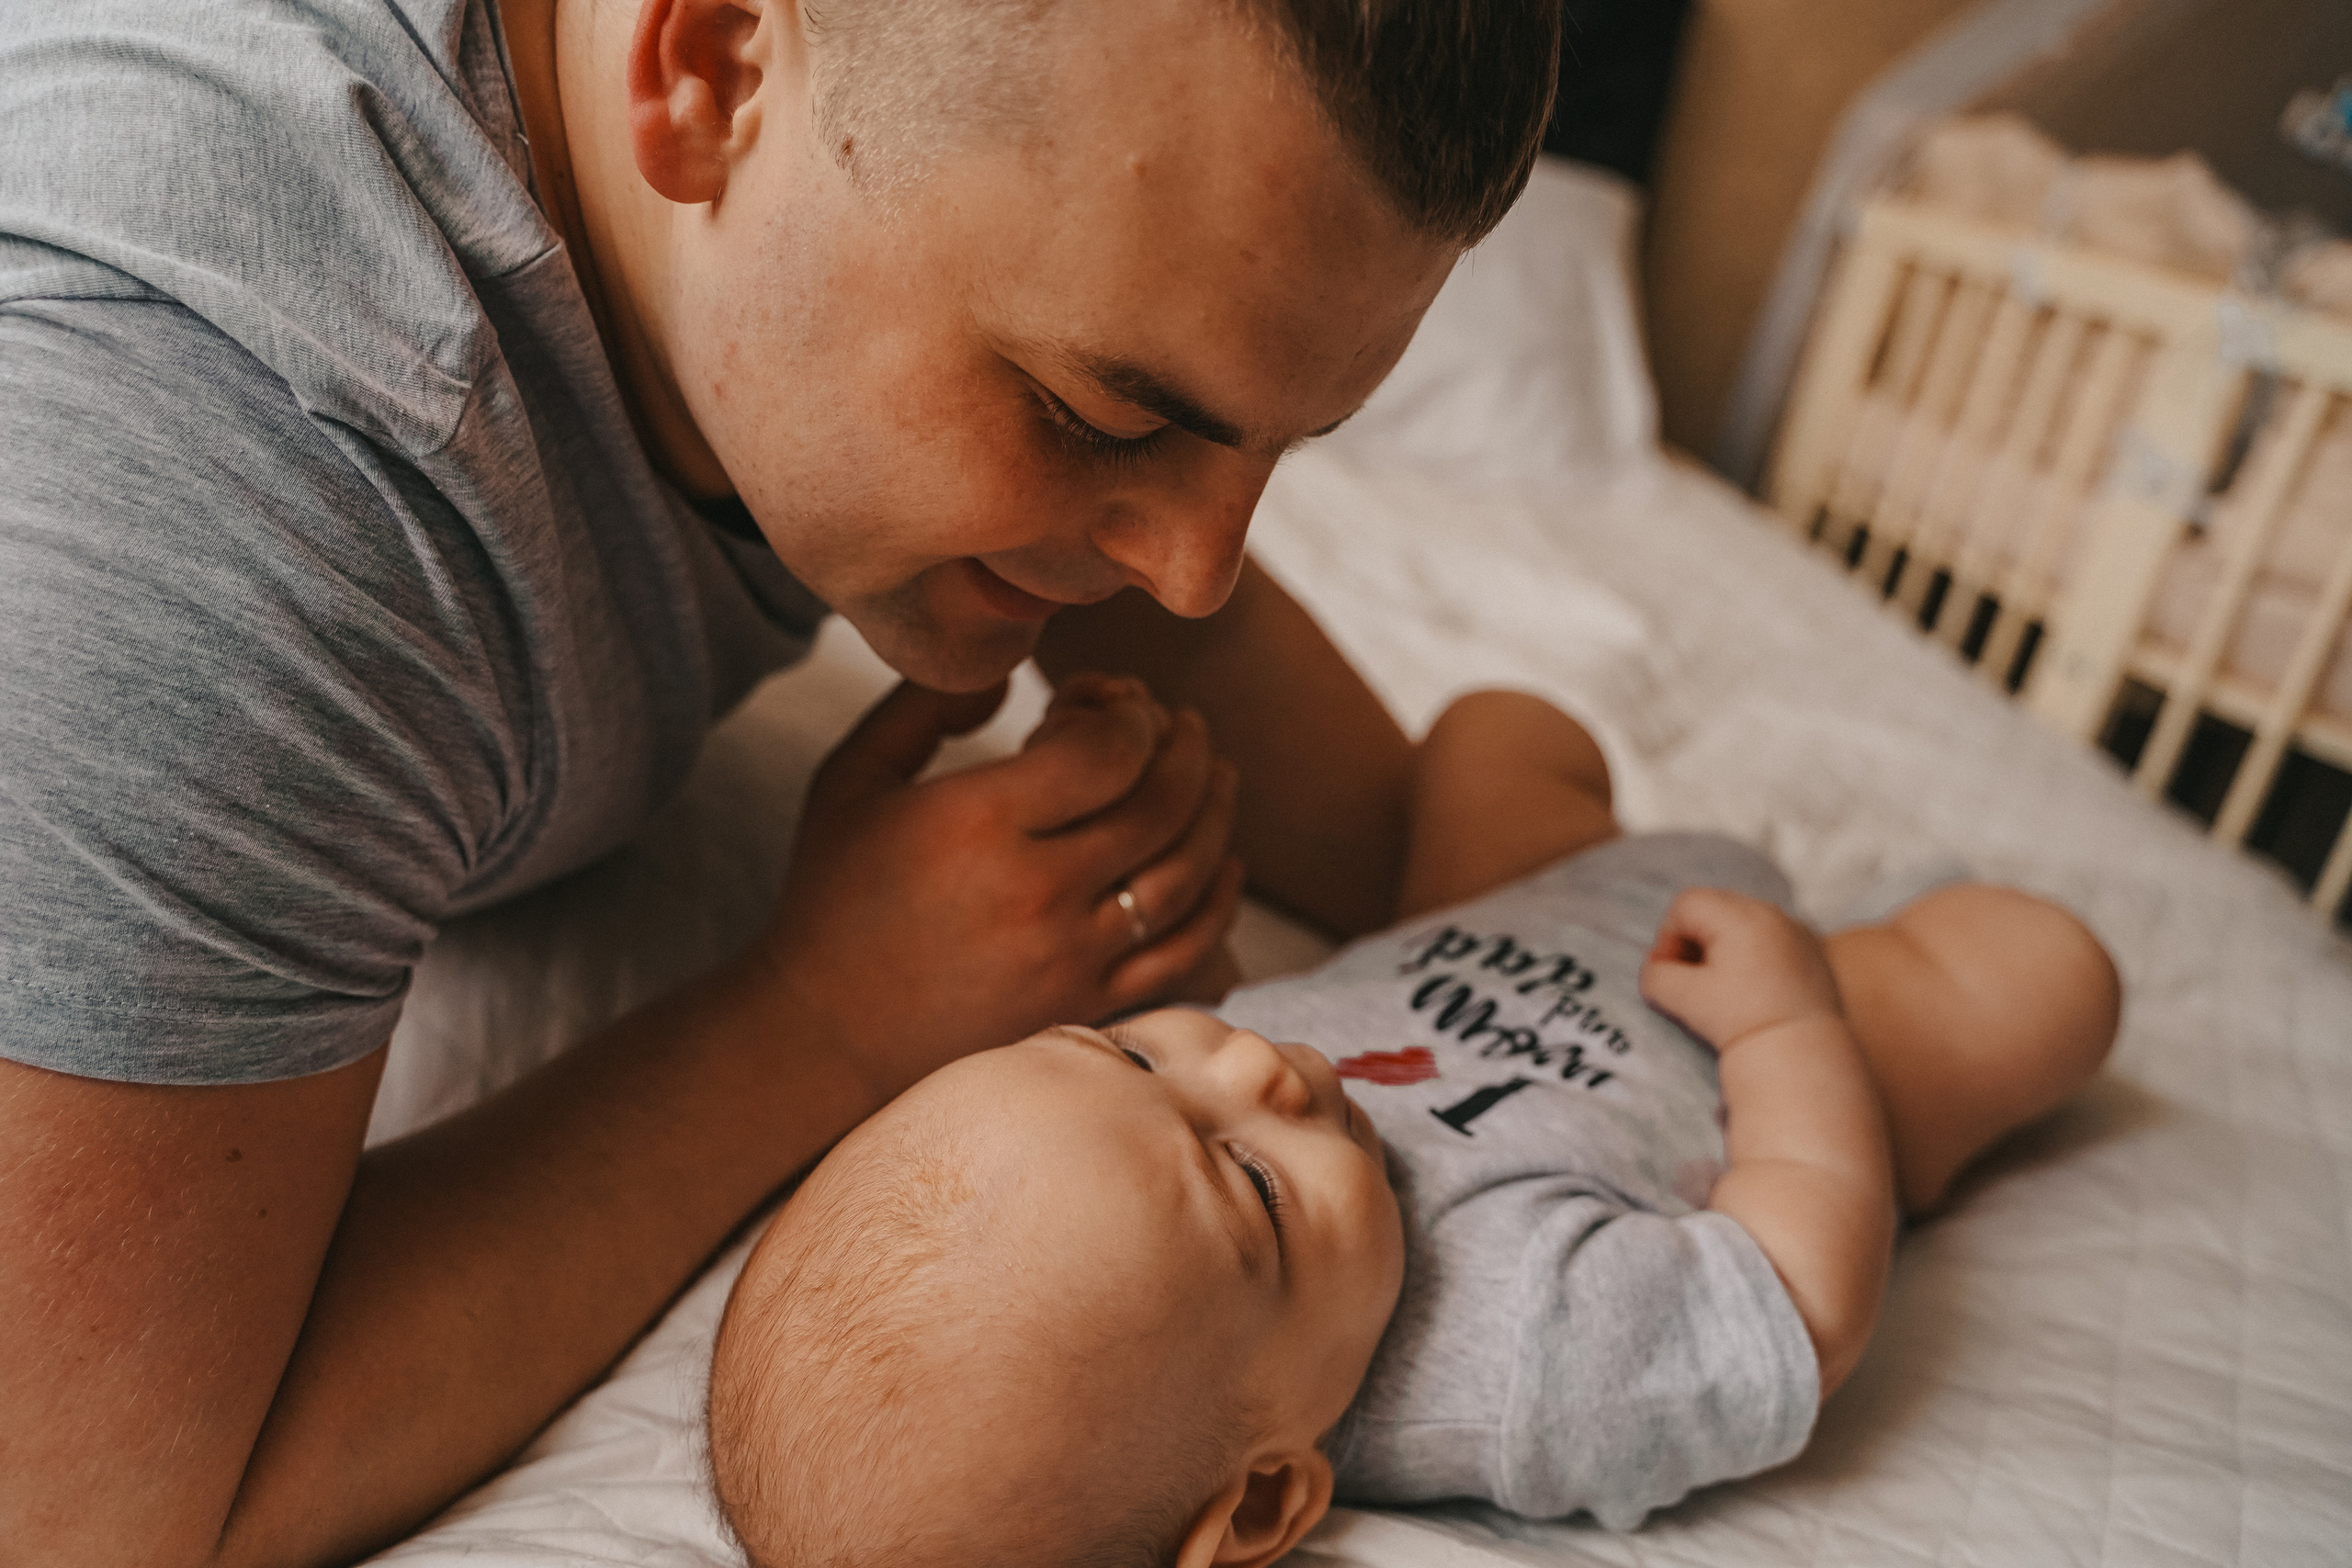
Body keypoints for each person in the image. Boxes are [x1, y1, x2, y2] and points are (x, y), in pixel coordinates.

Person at [0, 1, 1563, 1562]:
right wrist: (819, 1019)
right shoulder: (233, 478)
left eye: (1273, 453)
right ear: (712, 67)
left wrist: (1559, 926)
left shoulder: (815, 217)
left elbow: (1379, 796)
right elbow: (93, 1507)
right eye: (1101, 419)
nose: (1196, 577)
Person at [707, 689, 2121, 1567]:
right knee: (2050, 975)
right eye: (1254, 1188)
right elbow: (1797, 1300)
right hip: (1737, 1027)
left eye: (1129, 1056)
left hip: (1504, 906)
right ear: (1266, 1505)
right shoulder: (1512, 1363)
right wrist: (1789, 1030)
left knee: (1500, 727)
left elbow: (1237, 1042)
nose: (1252, 1071)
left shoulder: (1190, 1179)